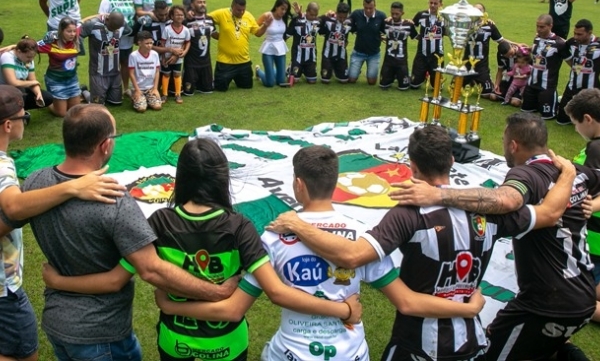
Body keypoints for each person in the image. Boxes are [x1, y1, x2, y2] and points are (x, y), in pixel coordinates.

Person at [266, 123, 576, 361]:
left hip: (417, 345)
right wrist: (568, 175)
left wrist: (297, 223)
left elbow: (351, 255)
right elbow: (550, 213)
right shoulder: (489, 210)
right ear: (452, 161)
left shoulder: (409, 214)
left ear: (412, 167)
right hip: (471, 340)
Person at [153, 144, 487, 361]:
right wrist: (467, 308)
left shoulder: (272, 237)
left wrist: (168, 303)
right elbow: (408, 302)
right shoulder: (362, 239)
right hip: (351, 355)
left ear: (298, 184)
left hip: (289, 354)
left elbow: (234, 308)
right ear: (337, 181)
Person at [41, 138, 362, 361]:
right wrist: (344, 310)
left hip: (175, 338)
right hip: (227, 342)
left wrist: (59, 282)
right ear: (222, 177)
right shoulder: (240, 227)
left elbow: (114, 279)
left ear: (181, 176)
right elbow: (273, 292)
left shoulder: (159, 222)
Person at [5, 104, 240, 360]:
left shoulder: (35, 183)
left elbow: (13, 214)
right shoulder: (113, 199)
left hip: (57, 324)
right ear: (105, 146)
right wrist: (216, 292)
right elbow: (151, 269)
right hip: (102, 335)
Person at [386, 112, 600, 361]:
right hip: (582, 291)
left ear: (513, 145)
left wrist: (438, 195)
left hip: (547, 302)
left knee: (490, 352)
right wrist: (588, 199)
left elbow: (507, 200)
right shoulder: (574, 171)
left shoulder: (527, 175)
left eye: (502, 138)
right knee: (536, 342)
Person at [0, 85, 125, 361]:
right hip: (3, 284)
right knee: (24, 353)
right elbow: (13, 206)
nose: (26, 122)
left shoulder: (19, 169)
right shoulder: (3, 165)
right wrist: (73, 188)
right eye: (25, 117)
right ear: (9, 125)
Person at [566, 88, 600, 324]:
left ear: (587, 119)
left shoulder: (596, 148)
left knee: (570, 296)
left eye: (575, 124)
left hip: (594, 244)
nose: (576, 130)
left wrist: (594, 204)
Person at [209, 0, 269, 92]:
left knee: (247, 86)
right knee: (220, 88)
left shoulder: (248, 16)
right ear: (232, 7)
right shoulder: (222, 13)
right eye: (238, 10)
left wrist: (265, 26)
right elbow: (206, 18)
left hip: (243, 62)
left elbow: (258, 33)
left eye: (243, 10)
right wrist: (212, 31)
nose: (241, 12)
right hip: (225, 62)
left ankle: (240, 75)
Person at [80, 11, 133, 106]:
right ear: (107, 19)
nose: (114, 30)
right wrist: (79, 51)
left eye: (116, 28)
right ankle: (84, 91)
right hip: (98, 73)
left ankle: (104, 92)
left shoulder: (121, 24)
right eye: (112, 27)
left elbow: (129, 31)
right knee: (97, 104)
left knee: (116, 102)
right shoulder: (93, 24)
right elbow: (79, 34)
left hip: (115, 72)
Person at [520, 14, 566, 119]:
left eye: (542, 27)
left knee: (547, 116)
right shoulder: (537, 39)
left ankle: (559, 101)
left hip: (547, 86)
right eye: (537, 26)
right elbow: (539, 50)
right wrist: (529, 49)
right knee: (525, 112)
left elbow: (571, 61)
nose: (539, 29)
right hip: (531, 84)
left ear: (550, 26)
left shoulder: (559, 43)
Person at [556, 19, 600, 125]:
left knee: (592, 123)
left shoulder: (598, 44)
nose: (576, 37)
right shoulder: (572, 42)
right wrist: (572, 64)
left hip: (591, 90)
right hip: (572, 86)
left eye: (580, 34)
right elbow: (563, 49)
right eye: (575, 33)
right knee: (561, 121)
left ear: (589, 33)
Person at [98, 0, 136, 95]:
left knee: (125, 62)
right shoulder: (108, 0)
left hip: (127, 38)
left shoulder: (132, 0)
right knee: (110, 62)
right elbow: (101, 17)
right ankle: (109, 88)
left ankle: (125, 88)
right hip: (111, 39)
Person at [463, 3, 504, 96]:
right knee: (454, 88)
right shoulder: (465, 24)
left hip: (481, 66)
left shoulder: (489, 25)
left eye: (479, 10)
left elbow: (501, 40)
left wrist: (517, 45)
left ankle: (475, 80)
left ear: (484, 13)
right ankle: (471, 80)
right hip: (466, 65)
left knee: (488, 92)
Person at [0, 37, 53, 110]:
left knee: (47, 97)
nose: (31, 60)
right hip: (4, 90)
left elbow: (32, 80)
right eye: (28, 57)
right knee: (21, 91)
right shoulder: (8, 57)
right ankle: (16, 113)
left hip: (18, 87)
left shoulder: (29, 60)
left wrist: (38, 94)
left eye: (33, 57)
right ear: (19, 52)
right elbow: (12, 82)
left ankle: (19, 109)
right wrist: (32, 82)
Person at [347, 0, 386, 85]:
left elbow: (387, 28)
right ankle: (356, 70)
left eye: (370, 8)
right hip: (358, 52)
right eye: (366, 8)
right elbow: (345, 22)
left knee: (372, 82)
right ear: (363, 5)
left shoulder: (381, 16)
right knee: (351, 79)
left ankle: (366, 71)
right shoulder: (356, 14)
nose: (368, 10)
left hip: (374, 54)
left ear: (375, 5)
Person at [379, 1, 417, 91]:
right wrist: (380, 37)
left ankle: (405, 75)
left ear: (402, 13)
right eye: (392, 13)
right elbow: (375, 30)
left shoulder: (408, 25)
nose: (394, 16)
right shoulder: (386, 23)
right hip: (388, 61)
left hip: (401, 62)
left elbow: (417, 37)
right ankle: (391, 76)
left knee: (403, 88)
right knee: (383, 85)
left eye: (397, 14)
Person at [183, 0, 215, 96]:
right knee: (188, 93)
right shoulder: (186, 21)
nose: (203, 4)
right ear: (192, 5)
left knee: (208, 90)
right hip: (191, 64)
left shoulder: (210, 20)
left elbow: (215, 34)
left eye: (204, 2)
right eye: (199, 2)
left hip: (206, 64)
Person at [410, 0, 444, 89]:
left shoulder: (445, 17)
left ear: (441, 4)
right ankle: (423, 75)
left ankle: (432, 75)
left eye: (435, 3)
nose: (432, 5)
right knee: (414, 84)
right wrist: (416, 36)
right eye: (431, 3)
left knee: (438, 88)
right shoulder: (421, 14)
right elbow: (411, 25)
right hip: (422, 54)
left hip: (437, 56)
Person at [255, 0, 291, 87]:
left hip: (280, 49)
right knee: (270, 83)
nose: (283, 12)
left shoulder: (284, 18)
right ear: (276, 7)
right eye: (282, 9)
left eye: (285, 10)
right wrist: (264, 26)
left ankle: (275, 71)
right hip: (268, 49)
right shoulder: (267, 15)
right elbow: (256, 30)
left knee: (281, 81)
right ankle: (258, 71)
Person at [160, 5, 191, 104]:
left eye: (182, 15)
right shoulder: (167, 29)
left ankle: (178, 94)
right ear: (172, 16)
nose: (180, 17)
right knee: (166, 74)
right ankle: (164, 94)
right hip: (167, 56)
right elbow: (163, 43)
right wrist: (164, 57)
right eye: (177, 15)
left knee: (177, 74)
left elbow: (187, 42)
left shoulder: (186, 30)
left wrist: (184, 52)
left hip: (178, 57)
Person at [128, 31, 162, 113]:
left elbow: (157, 71)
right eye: (147, 43)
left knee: (157, 107)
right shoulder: (133, 56)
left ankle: (147, 98)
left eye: (151, 43)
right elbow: (131, 73)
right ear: (139, 43)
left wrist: (155, 88)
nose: (150, 45)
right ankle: (136, 97)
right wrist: (137, 90)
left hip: (150, 88)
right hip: (139, 87)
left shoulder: (155, 54)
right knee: (141, 109)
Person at [286, 1, 320, 84]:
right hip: (298, 57)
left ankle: (306, 70)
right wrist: (297, 15)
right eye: (311, 15)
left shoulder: (318, 22)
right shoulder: (297, 21)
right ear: (307, 11)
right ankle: (290, 68)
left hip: (311, 58)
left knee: (312, 81)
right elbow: (287, 34)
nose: (313, 17)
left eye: (315, 15)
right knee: (295, 80)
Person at [319, 2, 351, 84]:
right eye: (340, 17)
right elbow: (314, 20)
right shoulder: (327, 19)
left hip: (341, 55)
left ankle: (336, 69)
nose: (342, 19)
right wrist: (325, 14)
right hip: (327, 54)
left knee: (344, 80)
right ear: (336, 13)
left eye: (344, 17)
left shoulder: (350, 22)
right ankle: (329, 67)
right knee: (325, 80)